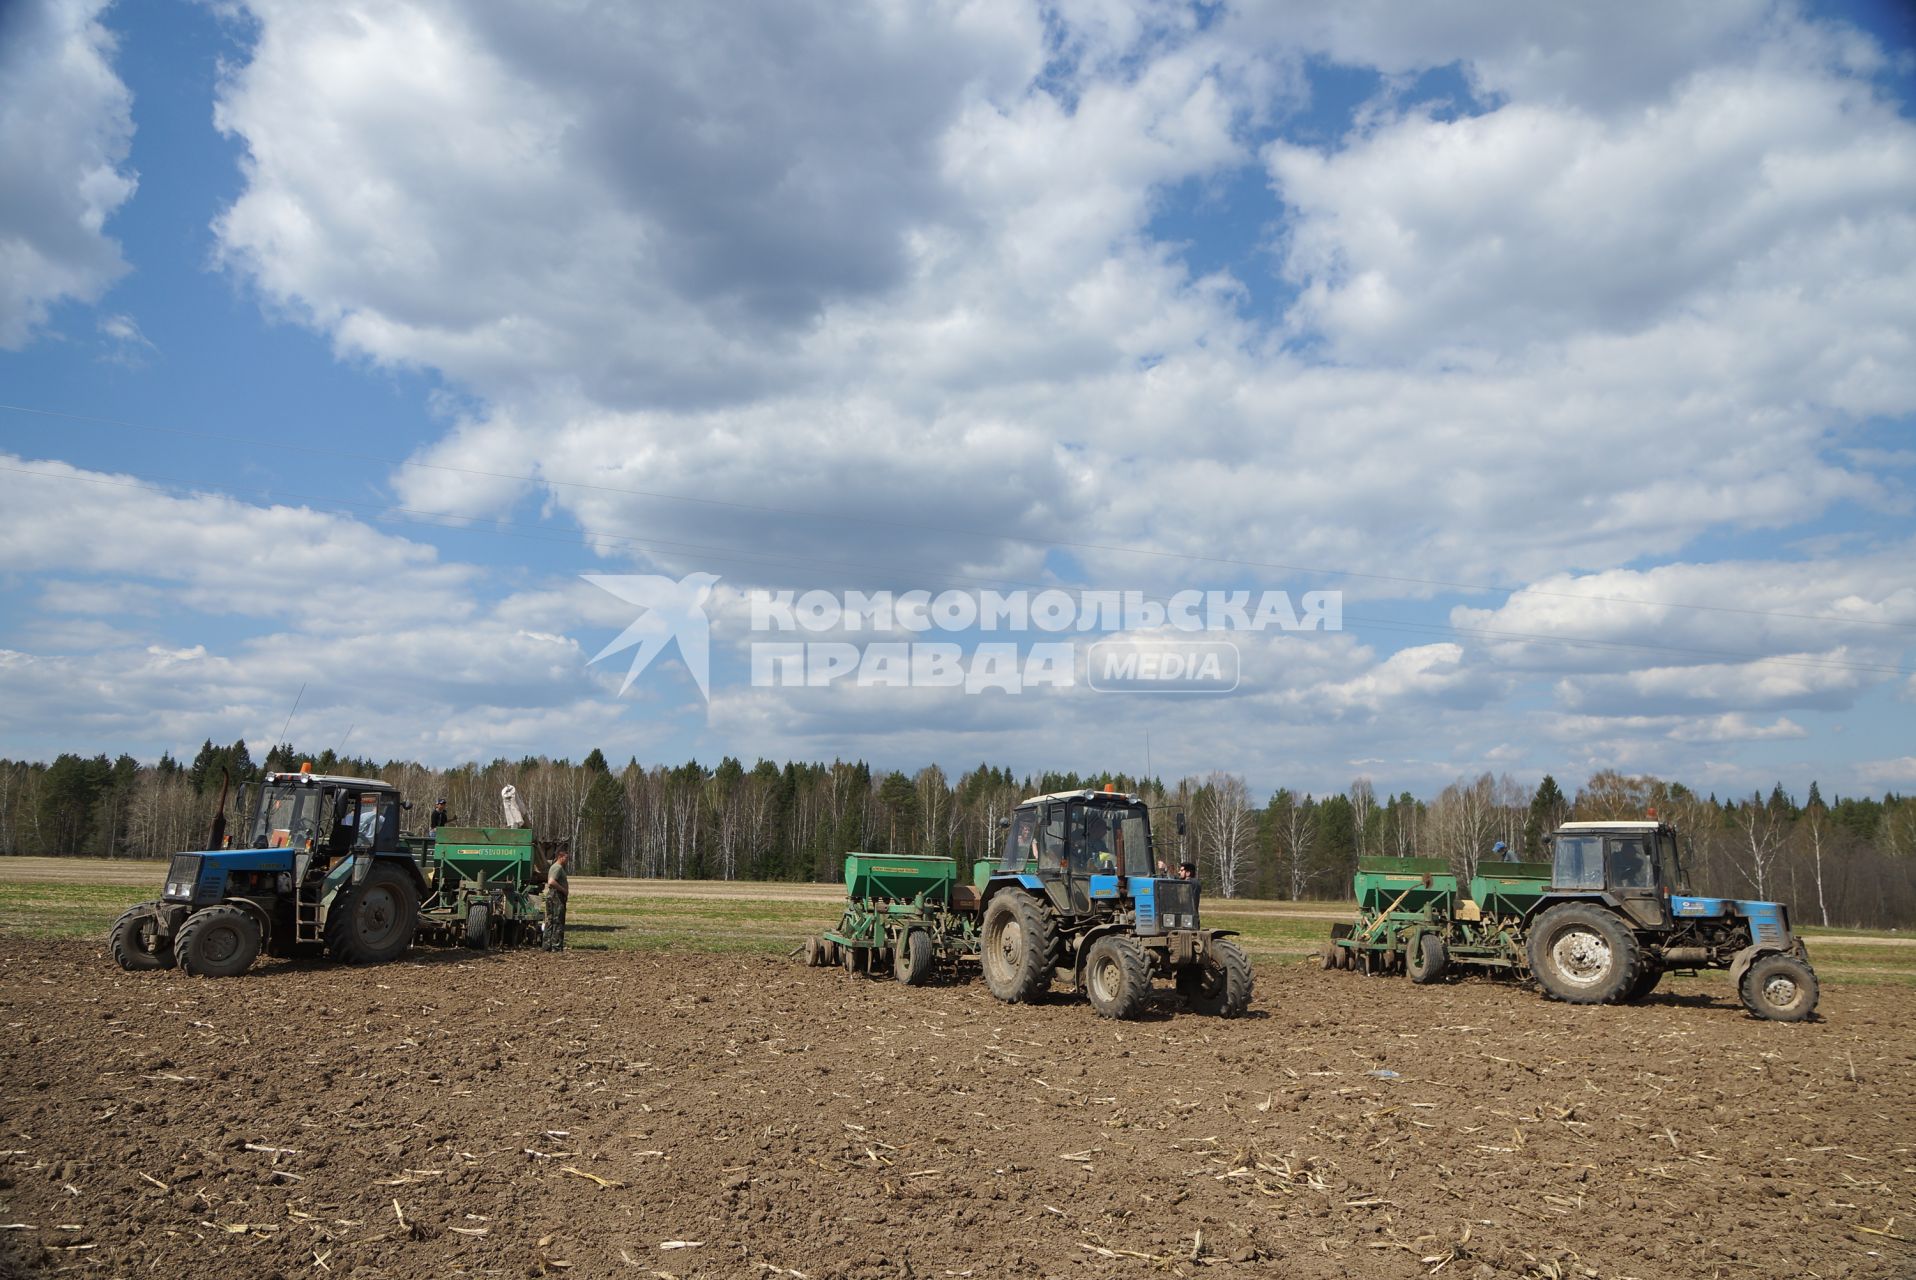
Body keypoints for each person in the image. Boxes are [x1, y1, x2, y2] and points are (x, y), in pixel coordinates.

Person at [544, 849, 571, 951]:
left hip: (553, 895)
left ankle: (547, 945)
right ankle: (556, 946)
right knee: (558, 920)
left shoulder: (556, 867)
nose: (567, 860)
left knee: (550, 920)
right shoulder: (558, 868)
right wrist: (563, 890)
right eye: (566, 858)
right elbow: (551, 881)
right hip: (556, 896)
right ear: (560, 857)